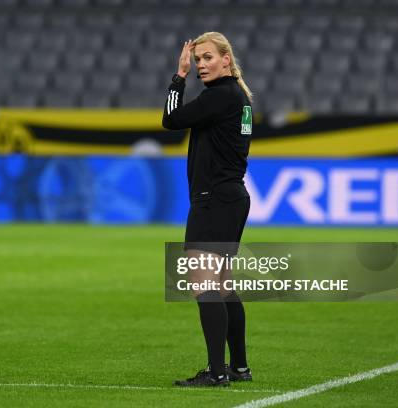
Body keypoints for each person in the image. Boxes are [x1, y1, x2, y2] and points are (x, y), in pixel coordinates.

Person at [162, 32, 253, 387]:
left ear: (226, 59)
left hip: (214, 199)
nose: (201, 65)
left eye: (208, 58)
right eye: (197, 60)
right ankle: (238, 367)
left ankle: (217, 373)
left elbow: (171, 120)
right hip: (230, 198)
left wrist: (178, 77)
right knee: (223, 286)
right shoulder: (238, 96)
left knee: (205, 287)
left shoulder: (220, 96)